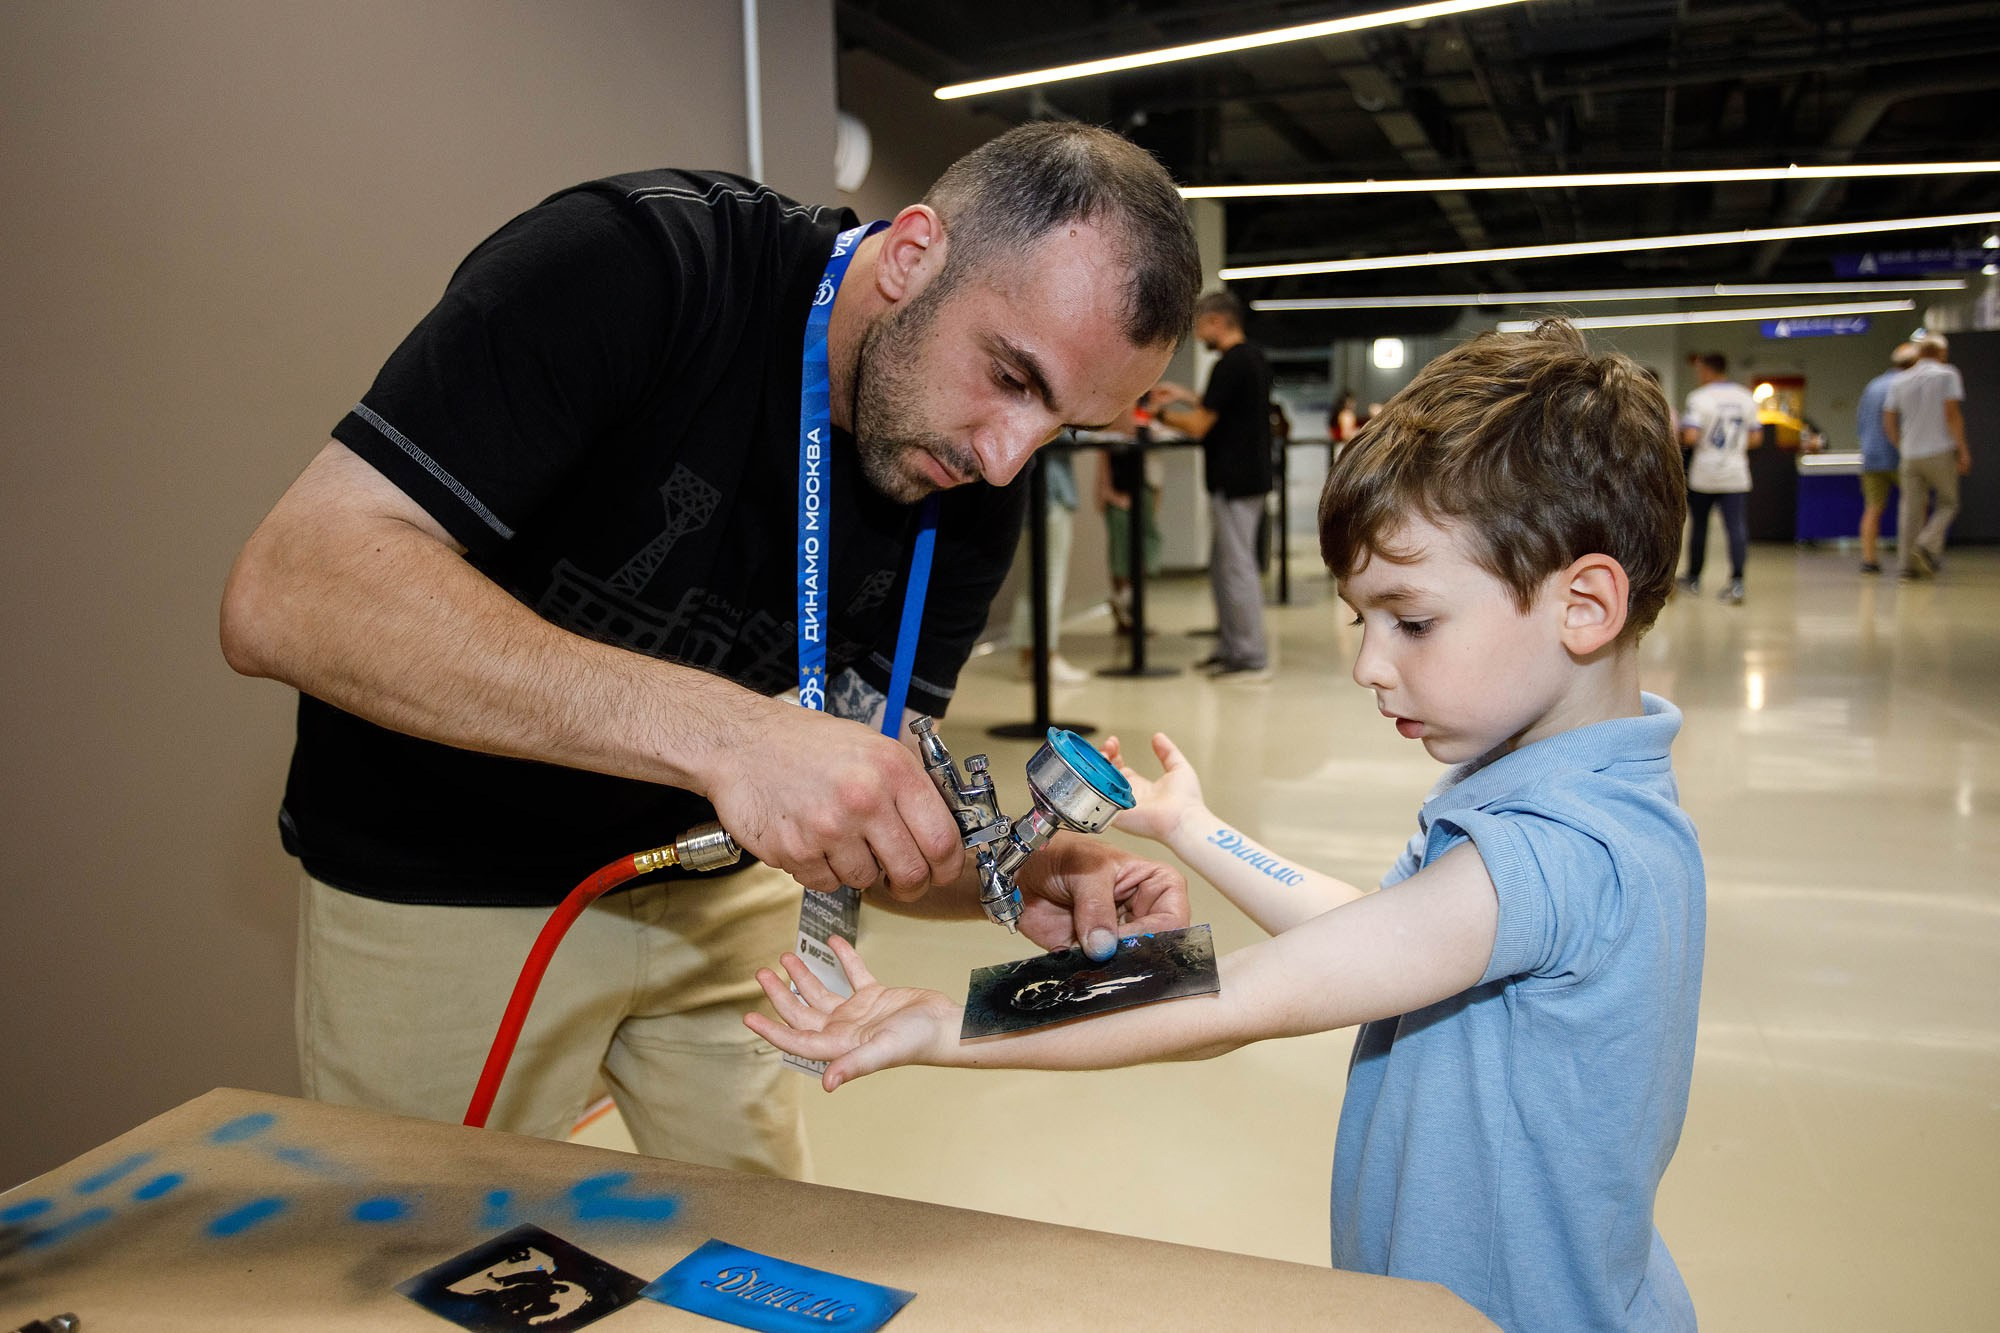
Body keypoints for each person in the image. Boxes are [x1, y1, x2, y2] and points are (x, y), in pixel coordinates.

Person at [219, 123, 1199, 1175]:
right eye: (1011, 375)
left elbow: (865, 797)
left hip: (724, 896)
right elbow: (289, 588)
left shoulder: (967, 483)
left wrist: (1023, 873)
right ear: (912, 252)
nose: (1008, 460)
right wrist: (730, 738)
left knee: (760, 1251)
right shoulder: (635, 266)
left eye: (1061, 427)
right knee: (427, 1255)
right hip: (447, 880)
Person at [747, 320, 1703, 1332]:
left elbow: (1246, 994)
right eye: (1359, 619)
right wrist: (1194, 829)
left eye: (1409, 620)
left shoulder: (1559, 847)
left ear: (1584, 603)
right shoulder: (1587, 795)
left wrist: (958, 1023)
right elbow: (1381, 934)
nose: (1368, 664)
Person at [1148, 290, 1275, 677]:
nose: (1198, 332)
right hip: (1245, 479)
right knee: (1226, 567)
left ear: (1217, 321)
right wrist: (1186, 396)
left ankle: (1250, 654)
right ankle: (1234, 646)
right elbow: (1220, 407)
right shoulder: (1250, 359)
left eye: (1201, 323)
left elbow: (1202, 423)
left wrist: (1160, 416)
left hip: (1235, 482)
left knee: (1237, 569)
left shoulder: (1230, 365)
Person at [1884, 334, 1972, 579]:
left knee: (1909, 510)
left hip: (1910, 453)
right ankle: (1926, 543)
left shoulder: (1899, 380)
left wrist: (1900, 444)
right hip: (1940, 450)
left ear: (1919, 354)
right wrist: (1962, 448)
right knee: (1948, 502)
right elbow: (1951, 414)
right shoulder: (1947, 374)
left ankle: (1906, 566)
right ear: (1942, 353)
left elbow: (1889, 419)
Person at [1677, 351, 1759, 604]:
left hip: (1706, 472)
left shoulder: (1699, 398)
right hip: (1735, 472)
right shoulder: (1745, 397)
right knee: (1736, 527)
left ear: (1706, 370)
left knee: (1699, 526)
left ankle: (1693, 578)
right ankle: (1737, 581)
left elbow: (1690, 436)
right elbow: (1756, 438)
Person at [1007, 449, 1088, 683]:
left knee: (1030, 583)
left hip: (1028, 497)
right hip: (1050, 494)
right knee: (1050, 582)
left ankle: (1028, 658)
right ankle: (1046, 657)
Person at [1854, 342, 1917, 574]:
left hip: (1871, 455)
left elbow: (1860, 419)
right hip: (1901, 455)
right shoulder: (1908, 385)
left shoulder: (1874, 386)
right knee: (1913, 508)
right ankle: (1911, 558)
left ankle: (1869, 559)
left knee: (1873, 508)